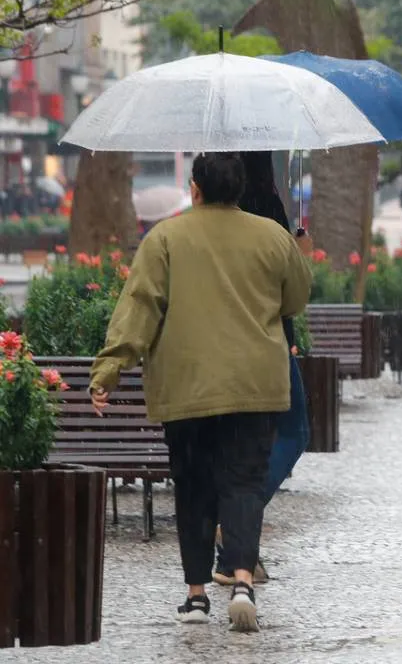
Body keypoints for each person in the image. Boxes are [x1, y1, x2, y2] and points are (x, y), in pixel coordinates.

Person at [89, 153, 311, 632]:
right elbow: (295, 299)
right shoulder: (273, 236)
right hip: (256, 384)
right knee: (245, 484)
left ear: (195, 189)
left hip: (187, 385)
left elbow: (141, 306)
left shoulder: (165, 238)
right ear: (239, 189)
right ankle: (243, 583)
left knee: (192, 486)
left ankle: (194, 597)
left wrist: (110, 367)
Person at [209, 151, 314, 587]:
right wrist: (300, 251)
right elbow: (286, 291)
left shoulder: (203, 217)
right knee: (294, 432)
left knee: (238, 446)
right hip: (265, 342)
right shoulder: (267, 209)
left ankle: (234, 557)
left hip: (215, 343)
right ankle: (231, 520)